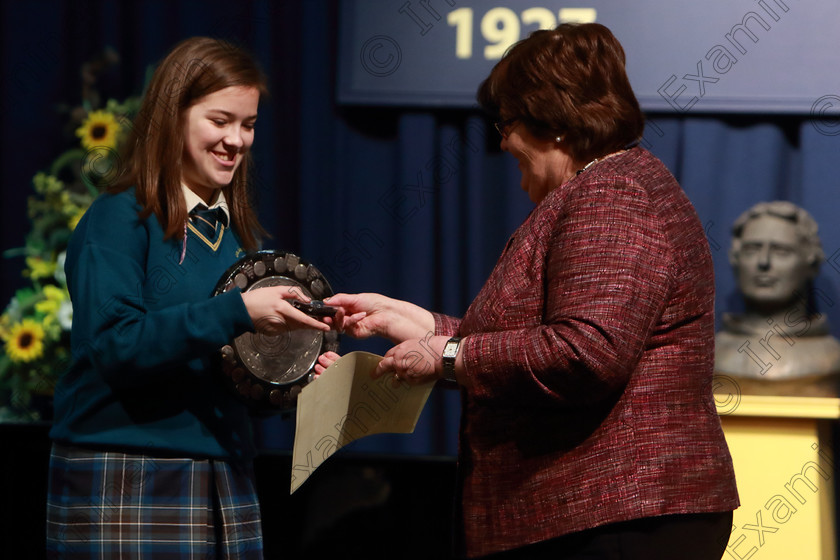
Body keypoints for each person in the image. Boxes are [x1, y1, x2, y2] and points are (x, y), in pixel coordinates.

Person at [321, 23, 739, 559]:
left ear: (554, 121)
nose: (501, 140)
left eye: (507, 122)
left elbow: (587, 354)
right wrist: (421, 325)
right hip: (600, 516)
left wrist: (447, 356)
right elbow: (546, 336)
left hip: (615, 517)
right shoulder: (603, 188)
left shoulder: (612, 195)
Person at [45, 37, 330, 559]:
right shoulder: (120, 219)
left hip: (225, 471)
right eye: (219, 120)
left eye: (248, 125)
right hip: (129, 468)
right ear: (172, 115)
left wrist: (290, 375)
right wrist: (237, 311)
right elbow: (115, 344)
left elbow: (223, 377)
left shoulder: (241, 243)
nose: (236, 140)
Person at [715, 201, 840, 393]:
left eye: (781, 251)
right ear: (736, 259)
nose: (763, 262)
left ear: (812, 263)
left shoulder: (833, 358)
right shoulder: (706, 355)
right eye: (752, 250)